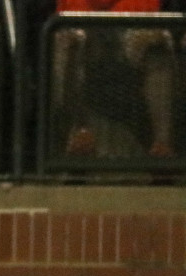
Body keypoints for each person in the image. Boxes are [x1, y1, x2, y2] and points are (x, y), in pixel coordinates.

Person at [51, 0, 175, 158]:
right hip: (82, 25)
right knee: (69, 39)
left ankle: (162, 146)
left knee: (156, 45)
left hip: (136, 24)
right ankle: (77, 134)